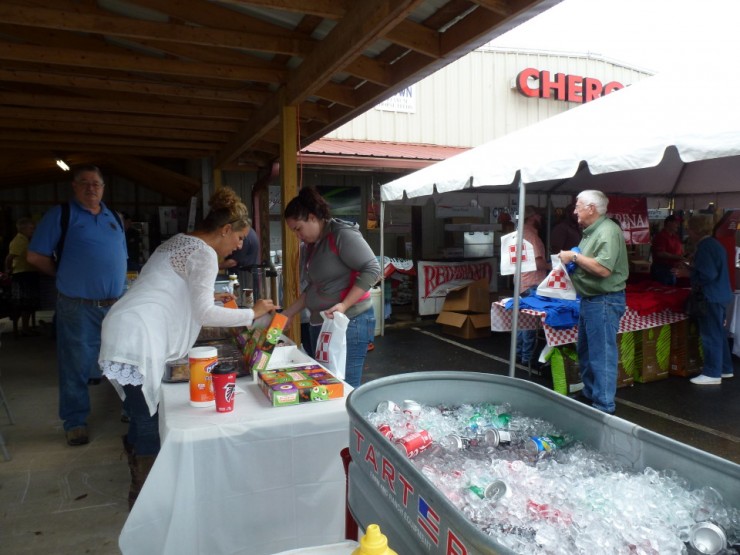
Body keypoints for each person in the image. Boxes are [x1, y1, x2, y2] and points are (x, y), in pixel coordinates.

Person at [98, 187, 276, 509]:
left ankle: (139, 473)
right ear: (225, 230)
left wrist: (217, 300)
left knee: (139, 411)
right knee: (147, 418)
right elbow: (203, 312)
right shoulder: (206, 253)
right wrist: (254, 313)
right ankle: (148, 497)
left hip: (123, 325)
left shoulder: (178, 241)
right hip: (139, 335)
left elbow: (178, 291)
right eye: (238, 238)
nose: (238, 245)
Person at [28, 166, 127, 447]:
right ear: (74, 186)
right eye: (84, 183)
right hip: (77, 306)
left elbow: (120, 258)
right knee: (75, 364)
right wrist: (63, 275)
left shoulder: (114, 218)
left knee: (125, 358)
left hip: (115, 305)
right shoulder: (61, 215)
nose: (91, 187)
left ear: (103, 188)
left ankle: (132, 410)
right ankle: (75, 422)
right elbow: (35, 256)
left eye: (96, 183)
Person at [281, 187, 380, 388]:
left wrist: (344, 305)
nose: (297, 235)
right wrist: (288, 313)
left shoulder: (341, 234)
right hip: (324, 324)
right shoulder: (313, 244)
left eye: (298, 228)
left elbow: (372, 268)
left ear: (312, 217)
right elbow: (315, 287)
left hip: (349, 321)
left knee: (344, 388)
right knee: (328, 386)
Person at [558, 190, 628, 414]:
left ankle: (603, 405)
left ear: (591, 208)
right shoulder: (591, 231)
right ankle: (591, 396)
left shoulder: (607, 231)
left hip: (604, 301)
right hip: (592, 300)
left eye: (578, 205)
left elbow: (603, 269)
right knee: (587, 353)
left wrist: (574, 257)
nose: (574, 210)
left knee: (601, 355)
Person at [674, 216, 733, 384]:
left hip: (710, 296)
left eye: (689, 229)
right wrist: (692, 269)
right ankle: (725, 368)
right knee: (719, 334)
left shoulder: (705, 247)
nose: (688, 232)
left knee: (710, 334)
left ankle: (712, 373)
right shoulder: (715, 244)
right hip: (721, 294)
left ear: (694, 230)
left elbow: (708, 274)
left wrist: (688, 273)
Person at [516, 206, 548, 366]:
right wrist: (553, 266)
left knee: (522, 321)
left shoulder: (518, 233)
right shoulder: (532, 236)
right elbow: (538, 262)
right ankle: (526, 358)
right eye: (539, 215)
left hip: (521, 281)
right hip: (533, 282)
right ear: (532, 217)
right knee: (530, 324)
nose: (541, 218)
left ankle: (519, 353)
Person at [4, 217, 40, 337]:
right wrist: (8, 270)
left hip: (29, 273)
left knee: (30, 303)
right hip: (23, 275)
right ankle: (24, 327)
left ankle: (26, 326)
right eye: (31, 228)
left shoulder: (27, 240)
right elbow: (10, 257)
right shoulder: (19, 241)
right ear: (23, 228)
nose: (33, 230)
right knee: (25, 302)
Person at [220, 219, 259, 299]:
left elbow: (233, 262)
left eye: (241, 238)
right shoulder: (249, 232)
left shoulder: (245, 236)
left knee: (244, 301)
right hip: (244, 276)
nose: (239, 246)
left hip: (244, 278)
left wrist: (213, 266)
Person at [650, 215, 686, 285]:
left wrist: (683, 259)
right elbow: (660, 253)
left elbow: (680, 251)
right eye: (676, 223)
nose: (678, 225)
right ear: (669, 223)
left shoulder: (675, 237)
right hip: (662, 269)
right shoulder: (661, 236)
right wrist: (679, 257)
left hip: (673, 268)